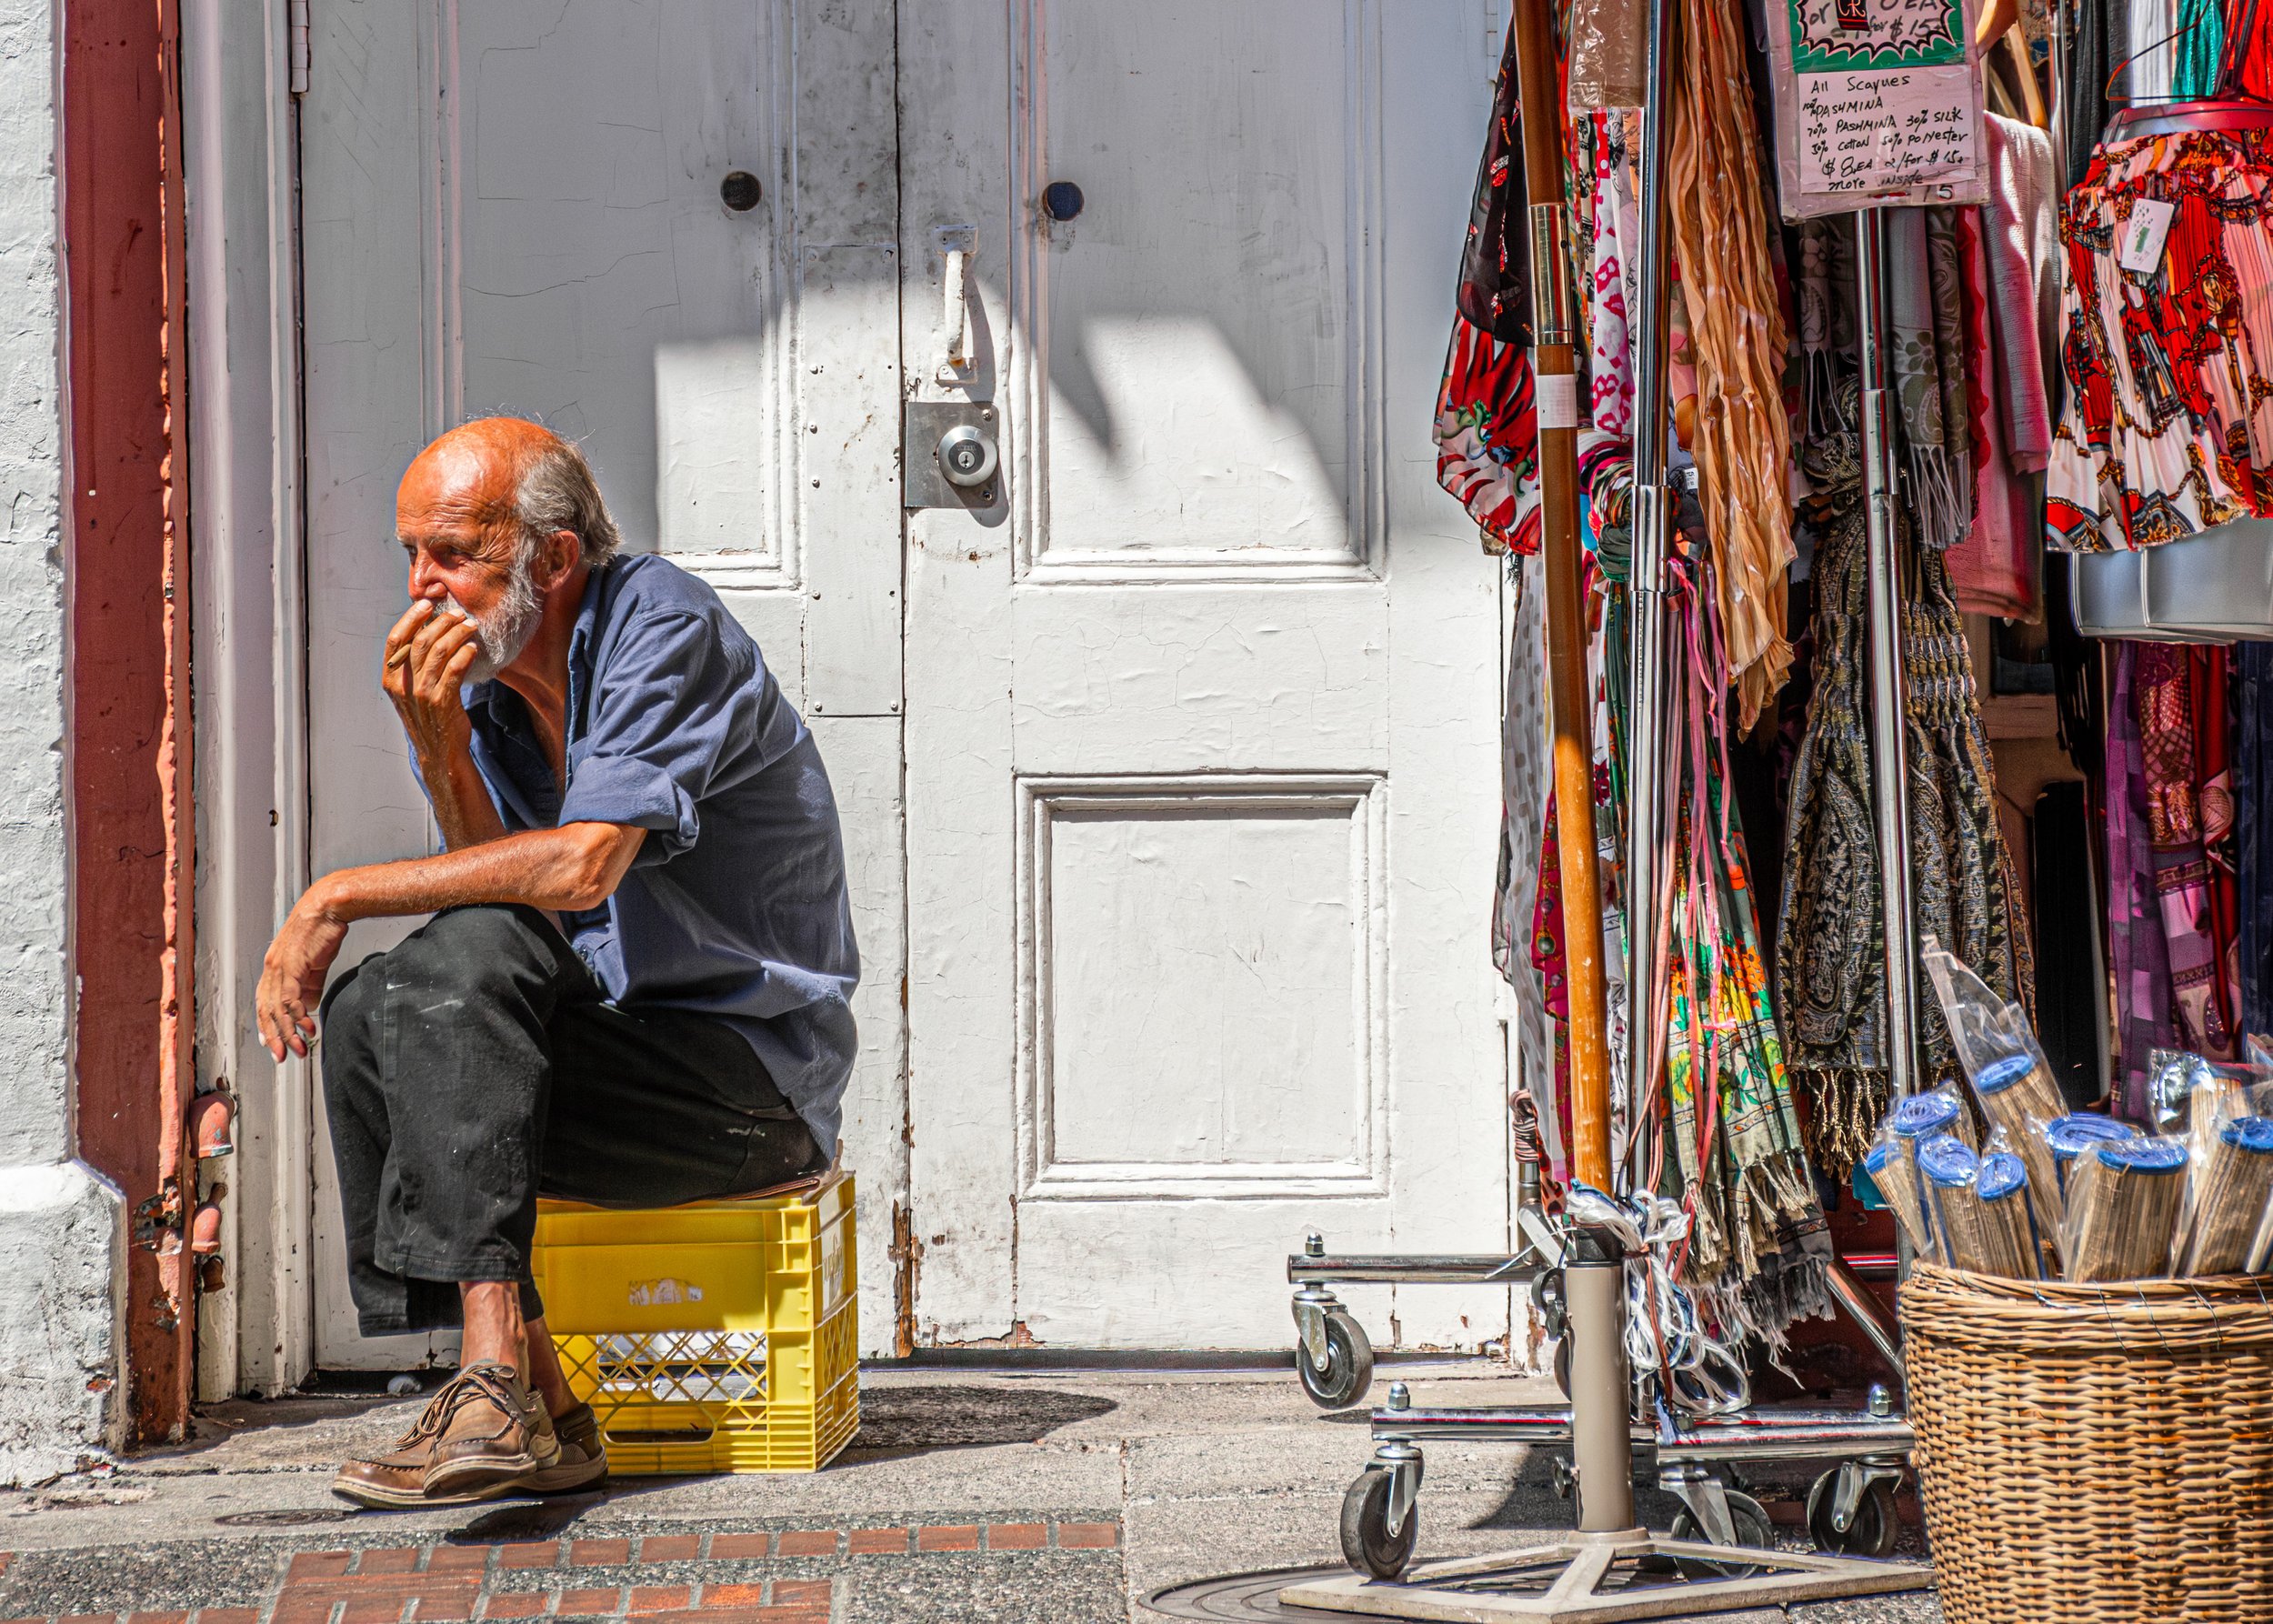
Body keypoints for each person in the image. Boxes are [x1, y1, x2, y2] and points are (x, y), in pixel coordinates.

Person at [258, 417, 859, 1508]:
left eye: (454, 554)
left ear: (552, 557)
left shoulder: (658, 622)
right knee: (372, 1011)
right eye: (411, 555)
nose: (422, 587)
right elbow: (488, 912)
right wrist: (439, 743)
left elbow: (581, 870)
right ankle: (540, 1404)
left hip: (739, 1091)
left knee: (443, 966)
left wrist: (333, 892)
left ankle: (493, 1381)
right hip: (616, 1062)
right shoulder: (479, 692)